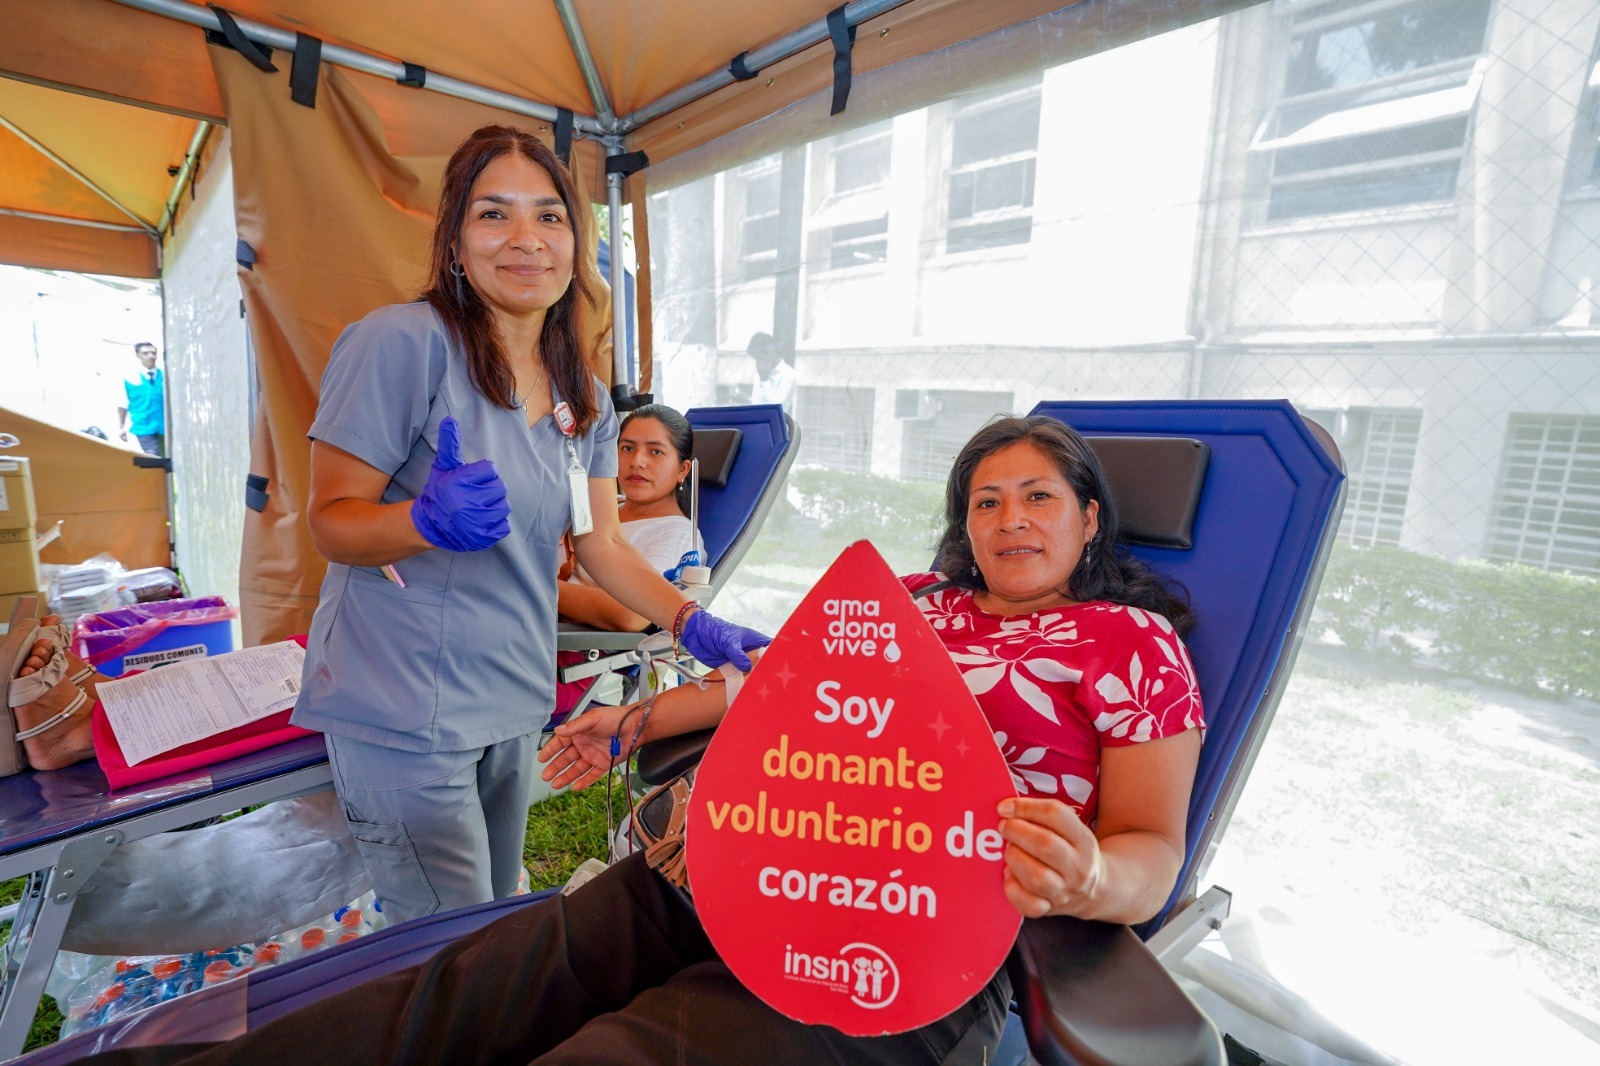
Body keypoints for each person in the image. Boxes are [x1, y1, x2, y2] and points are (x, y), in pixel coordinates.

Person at [73, 415, 1202, 1065]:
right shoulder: (903, 601)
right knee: (462, 996)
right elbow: (764, 683)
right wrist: (631, 717)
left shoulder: (1131, 647)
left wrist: (1093, 871)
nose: (1009, 519)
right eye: (987, 500)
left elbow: (1149, 847)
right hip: (734, 865)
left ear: (1089, 517)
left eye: (1038, 497)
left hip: (908, 936)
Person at [285, 124, 768, 924]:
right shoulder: (402, 343)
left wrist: (690, 621)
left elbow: (602, 545)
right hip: (403, 699)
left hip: (512, 695)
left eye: (549, 217)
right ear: (454, 240)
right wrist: (423, 519)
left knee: (492, 915)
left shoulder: (587, 394)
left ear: (576, 244)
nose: (525, 240)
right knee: (447, 938)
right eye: (493, 215)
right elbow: (332, 524)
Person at [558, 403, 703, 631]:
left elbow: (632, 615)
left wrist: (542, 590)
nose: (637, 461)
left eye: (655, 451)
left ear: (683, 470)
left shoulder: (676, 534)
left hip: (572, 645)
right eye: (627, 448)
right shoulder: (608, 504)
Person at [118, 341, 165, 455]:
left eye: (153, 353)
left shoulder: (165, 376)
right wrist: (121, 427)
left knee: (169, 459)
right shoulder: (130, 378)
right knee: (154, 457)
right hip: (143, 427)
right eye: (146, 353)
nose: (151, 356)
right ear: (138, 355)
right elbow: (123, 404)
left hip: (164, 426)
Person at [746, 331, 795, 411]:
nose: (758, 362)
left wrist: (765, 381)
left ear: (769, 351)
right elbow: (756, 404)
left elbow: (776, 408)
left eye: (759, 357)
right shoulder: (760, 373)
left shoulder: (788, 374)